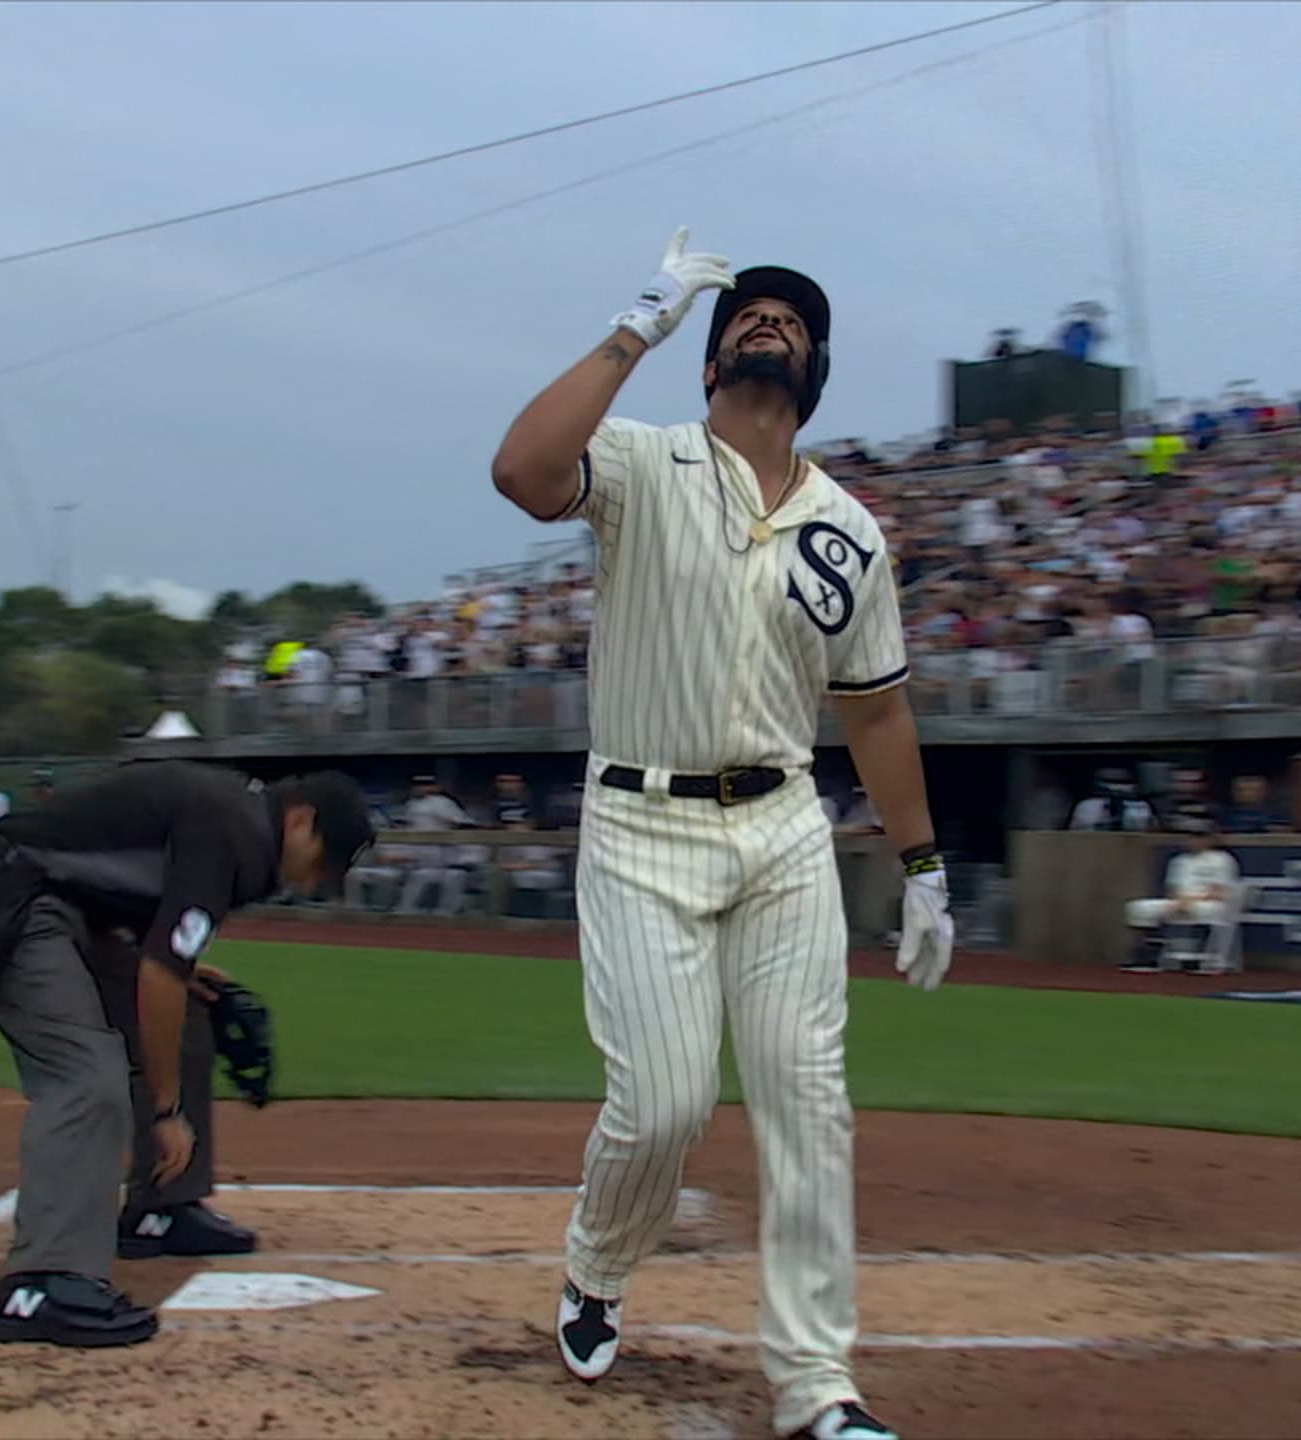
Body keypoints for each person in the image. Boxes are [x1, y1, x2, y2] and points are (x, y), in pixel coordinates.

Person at [489, 227, 954, 1440]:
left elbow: (880, 708)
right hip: (641, 824)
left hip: (786, 829)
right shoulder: (642, 463)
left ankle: (817, 1386)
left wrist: (923, 868)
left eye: (793, 321)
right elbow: (522, 472)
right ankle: (598, 1261)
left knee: (808, 1103)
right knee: (663, 1107)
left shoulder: (851, 530)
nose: (769, 323)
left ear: (817, 371)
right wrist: (639, 319)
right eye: (747, 316)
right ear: (706, 365)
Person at [0, 760, 373, 1348]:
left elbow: (138, 910)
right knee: (87, 1075)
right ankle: (44, 1282)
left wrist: (176, 970)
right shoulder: (236, 828)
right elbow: (158, 974)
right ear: (301, 819)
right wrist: (164, 1110)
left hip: (74, 908)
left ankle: (161, 1208)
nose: (312, 881)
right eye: (322, 862)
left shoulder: (236, 815)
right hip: (13, 902)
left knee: (196, 1010)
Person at [1119, 815, 1241, 973]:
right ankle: (1148, 954)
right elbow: (1173, 890)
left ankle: (1200, 956)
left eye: (1198, 836)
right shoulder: (1179, 861)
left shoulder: (1222, 859)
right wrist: (1179, 901)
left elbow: (1220, 891)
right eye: (1190, 836)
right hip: (1179, 900)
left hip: (1210, 902)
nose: (1193, 840)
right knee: (1138, 907)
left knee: (1203, 910)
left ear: (1208, 839)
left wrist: (1190, 900)